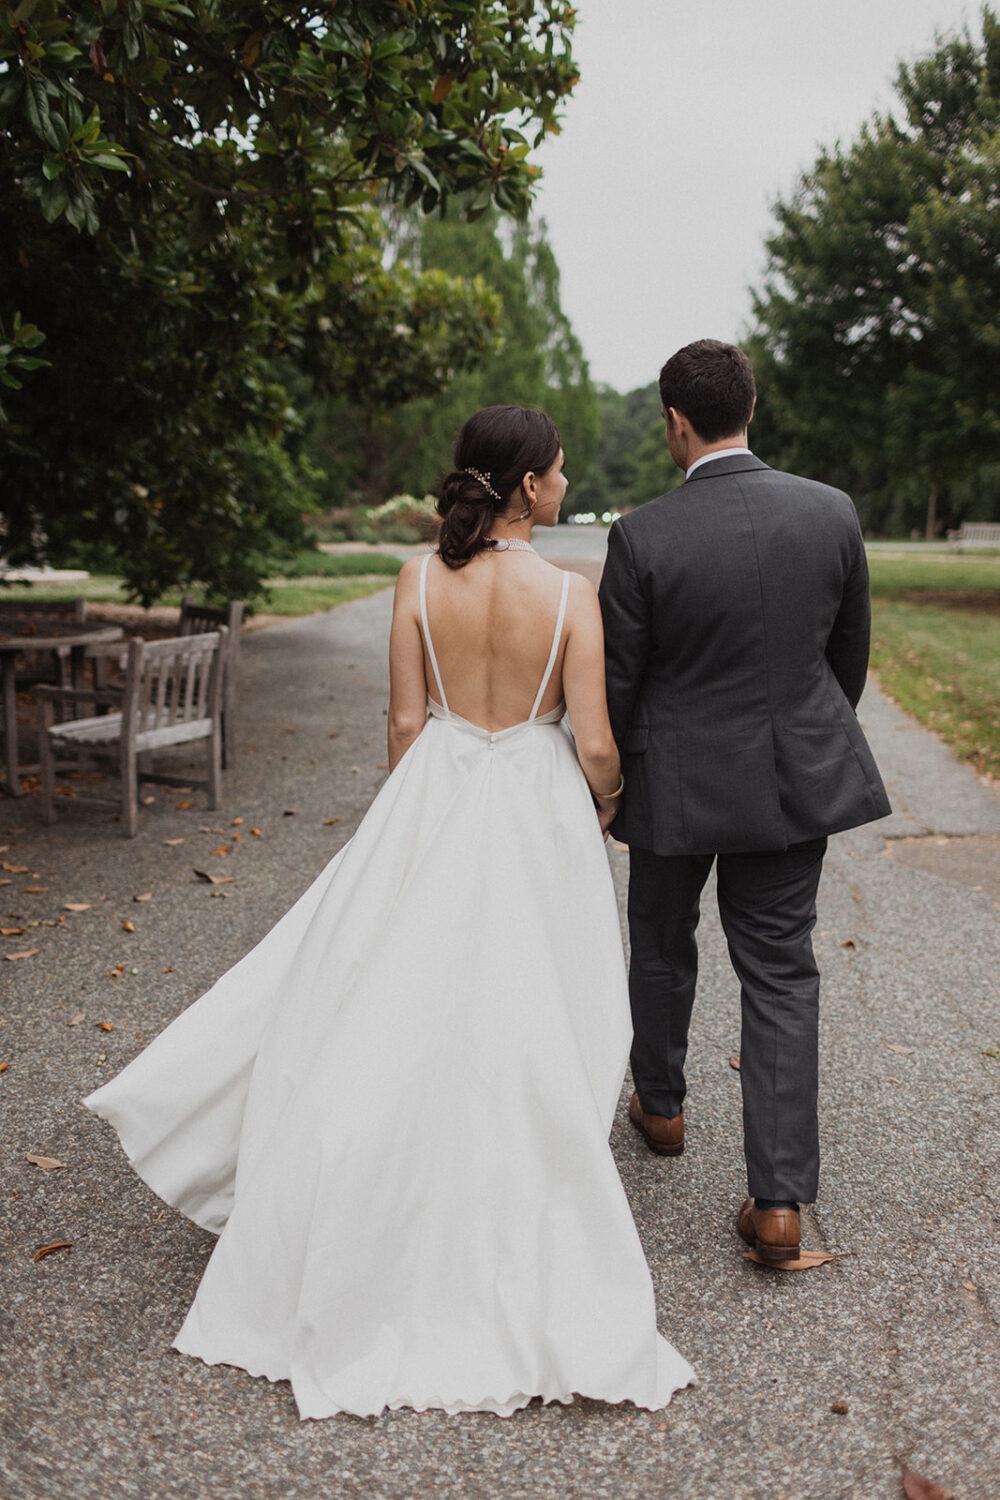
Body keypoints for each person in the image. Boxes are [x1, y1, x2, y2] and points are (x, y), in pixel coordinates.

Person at [85, 405, 694, 1419]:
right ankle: (512, 1196)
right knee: (533, 1005)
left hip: (440, 790)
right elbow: (592, 742)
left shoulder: (417, 580)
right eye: (552, 472)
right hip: (535, 810)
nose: (560, 482)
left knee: (391, 997)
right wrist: (607, 799)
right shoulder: (569, 595)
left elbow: (406, 725)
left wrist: (413, 824)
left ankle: (362, 1197)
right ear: (525, 486)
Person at [598, 341, 890, 1265]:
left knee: (659, 939)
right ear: (749, 409)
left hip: (673, 787)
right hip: (788, 784)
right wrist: (799, 735)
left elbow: (620, 681)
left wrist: (614, 785)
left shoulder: (642, 535)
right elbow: (847, 662)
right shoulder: (831, 512)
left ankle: (665, 1106)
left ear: (676, 423)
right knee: (779, 972)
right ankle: (777, 1204)